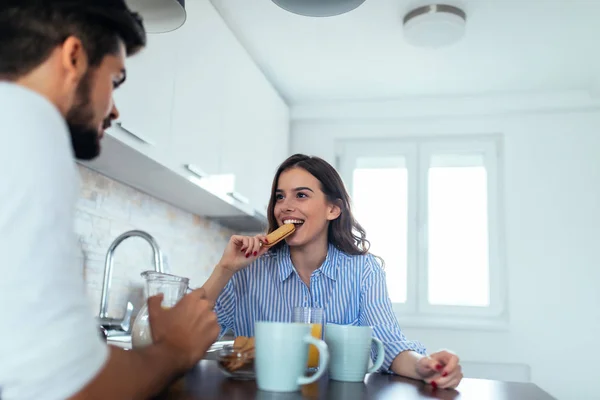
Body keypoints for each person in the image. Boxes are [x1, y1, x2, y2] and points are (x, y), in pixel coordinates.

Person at [0, 1, 219, 399]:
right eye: (115, 80)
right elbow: (74, 389)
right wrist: (177, 349)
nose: (114, 109)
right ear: (73, 57)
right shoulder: (28, 124)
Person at [201, 154, 464, 390]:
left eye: (301, 195)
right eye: (280, 197)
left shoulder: (364, 271)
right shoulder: (248, 269)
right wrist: (224, 269)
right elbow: (186, 337)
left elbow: (390, 344)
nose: (284, 207)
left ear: (333, 209)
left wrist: (425, 366)